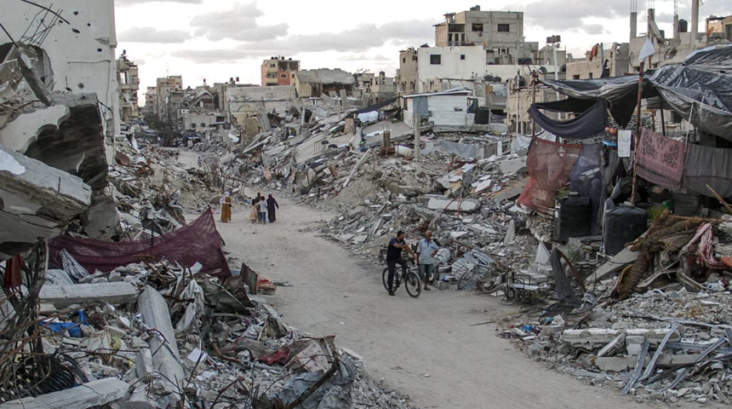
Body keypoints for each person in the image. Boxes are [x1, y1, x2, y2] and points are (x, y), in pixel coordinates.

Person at [386, 230, 416, 296]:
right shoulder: (393, 240)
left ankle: (404, 275)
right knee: (391, 273)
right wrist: (404, 245)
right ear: (399, 235)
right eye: (403, 235)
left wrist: (413, 254)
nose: (404, 236)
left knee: (404, 263)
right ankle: (390, 290)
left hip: (397, 257)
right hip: (391, 259)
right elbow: (397, 246)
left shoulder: (402, 241)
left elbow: (407, 248)